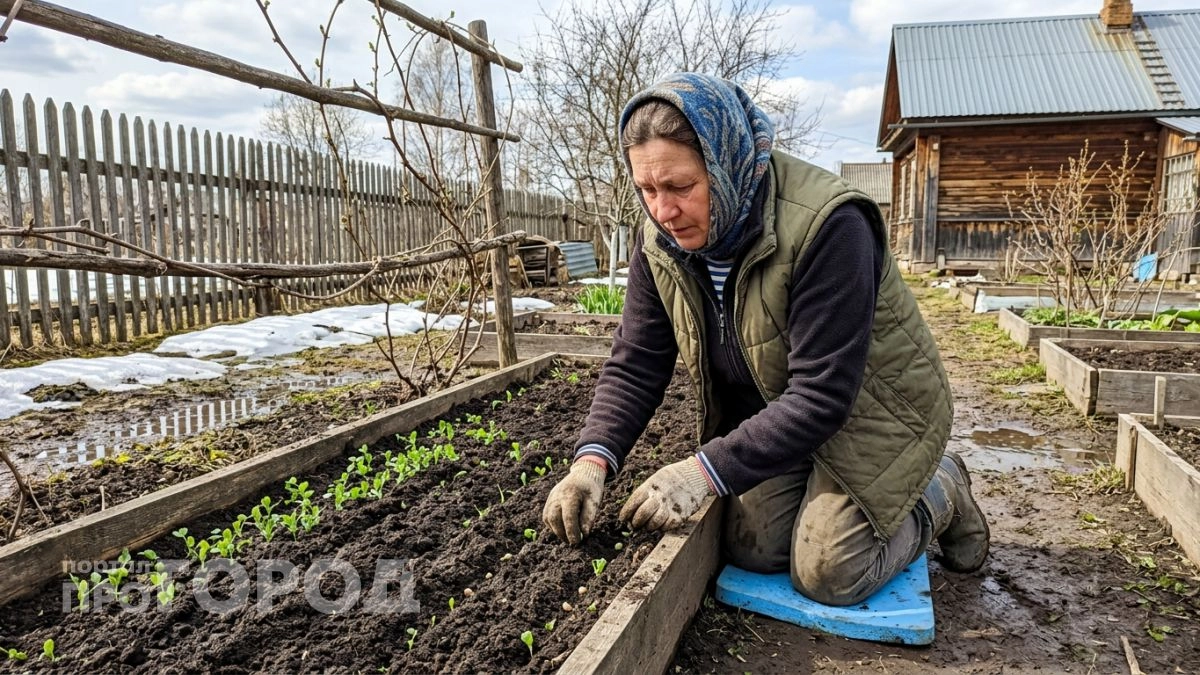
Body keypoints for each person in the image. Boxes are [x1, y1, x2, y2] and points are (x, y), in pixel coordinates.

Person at [541, 73, 990, 607]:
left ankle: (943, 488)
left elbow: (823, 395)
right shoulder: (660, 242)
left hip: (877, 410)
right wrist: (591, 463)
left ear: (724, 163)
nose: (662, 211)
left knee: (829, 570)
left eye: (681, 187)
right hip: (785, 408)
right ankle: (825, 496)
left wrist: (700, 471)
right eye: (647, 190)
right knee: (750, 548)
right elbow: (637, 361)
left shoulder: (829, 224)